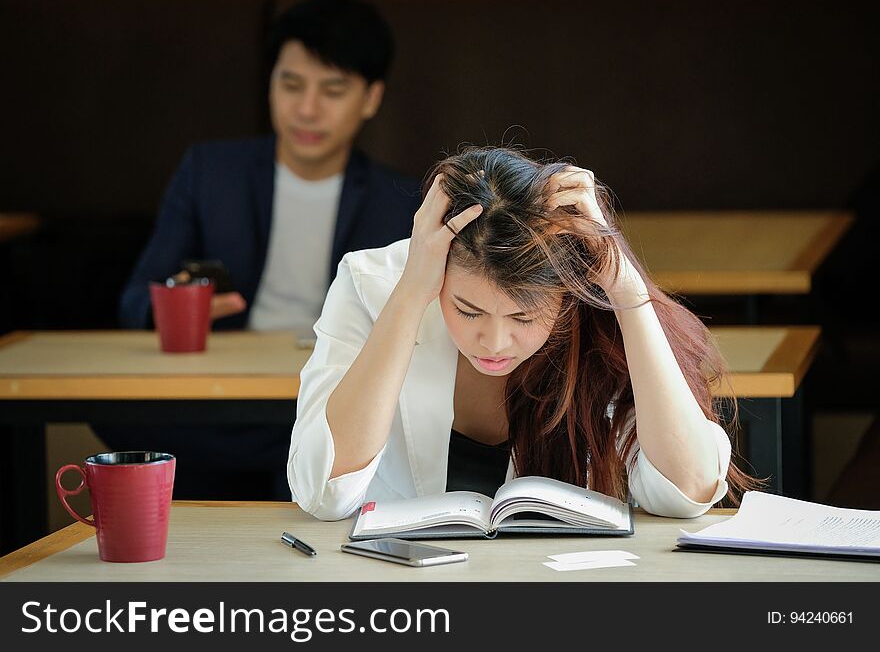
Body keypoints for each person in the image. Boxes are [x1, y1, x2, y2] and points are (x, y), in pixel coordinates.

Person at [288, 146, 759, 520]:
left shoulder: (593, 303)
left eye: (523, 319)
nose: (493, 343)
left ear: (567, 298)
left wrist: (625, 288)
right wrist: (411, 293)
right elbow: (323, 491)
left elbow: (689, 490)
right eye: (467, 311)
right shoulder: (373, 284)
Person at [96, 0, 420, 500]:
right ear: (269, 82)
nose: (306, 109)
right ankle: (292, 465)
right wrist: (181, 307)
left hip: (328, 396)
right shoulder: (209, 173)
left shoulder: (400, 199)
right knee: (118, 414)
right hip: (225, 392)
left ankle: (294, 463)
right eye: (290, 84)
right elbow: (137, 297)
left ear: (371, 98)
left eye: (332, 89)